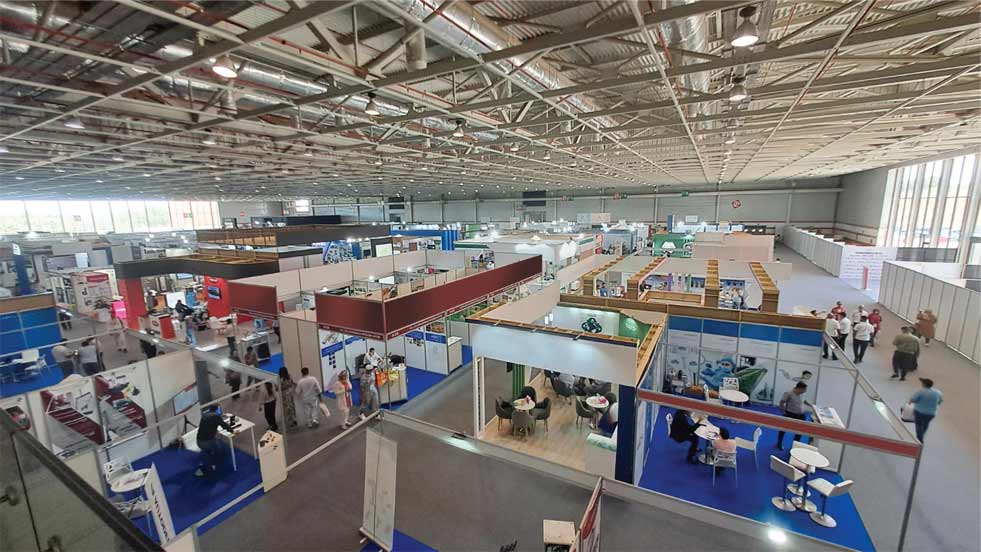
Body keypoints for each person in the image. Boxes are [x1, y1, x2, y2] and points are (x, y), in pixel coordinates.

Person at [195, 405, 234, 477]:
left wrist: (220, 416)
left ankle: (208, 459)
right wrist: (233, 431)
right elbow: (224, 425)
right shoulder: (216, 417)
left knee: (213, 447)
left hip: (199, 440)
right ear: (216, 410)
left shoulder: (205, 415)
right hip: (207, 442)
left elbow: (211, 419)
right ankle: (210, 466)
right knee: (217, 448)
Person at [776, 382, 810, 450]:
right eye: (804, 389)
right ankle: (779, 443)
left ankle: (795, 446)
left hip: (801, 415)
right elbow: (782, 402)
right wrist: (783, 412)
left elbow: (804, 400)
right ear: (799, 388)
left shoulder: (802, 393)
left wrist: (811, 405)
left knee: (799, 431)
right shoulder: (788, 393)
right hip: (790, 414)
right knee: (783, 429)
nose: (805, 391)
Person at [908, 378, 943, 442]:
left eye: (922, 383)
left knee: (918, 424)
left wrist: (909, 403)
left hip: (919, 412)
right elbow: (940, 402)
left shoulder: (920, 391)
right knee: (925, 424)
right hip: (931, 413)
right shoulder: (938, 392)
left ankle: (919, 438)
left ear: (924, 384)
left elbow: (913, 399)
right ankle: (921, 435)